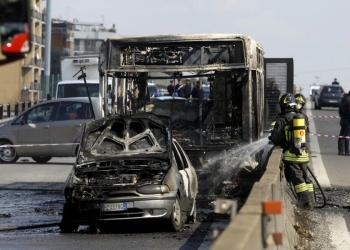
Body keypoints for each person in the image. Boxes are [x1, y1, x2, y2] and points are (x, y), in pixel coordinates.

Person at [269, 93, 314, 210]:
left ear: (283, 106)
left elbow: (276, 138)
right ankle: (312, 201)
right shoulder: (303, 117)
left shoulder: (282, 119)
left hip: (291, 156)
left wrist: (273, 138)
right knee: (306, 178)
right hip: (303, 154)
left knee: (298, 180)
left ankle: (306, 203)